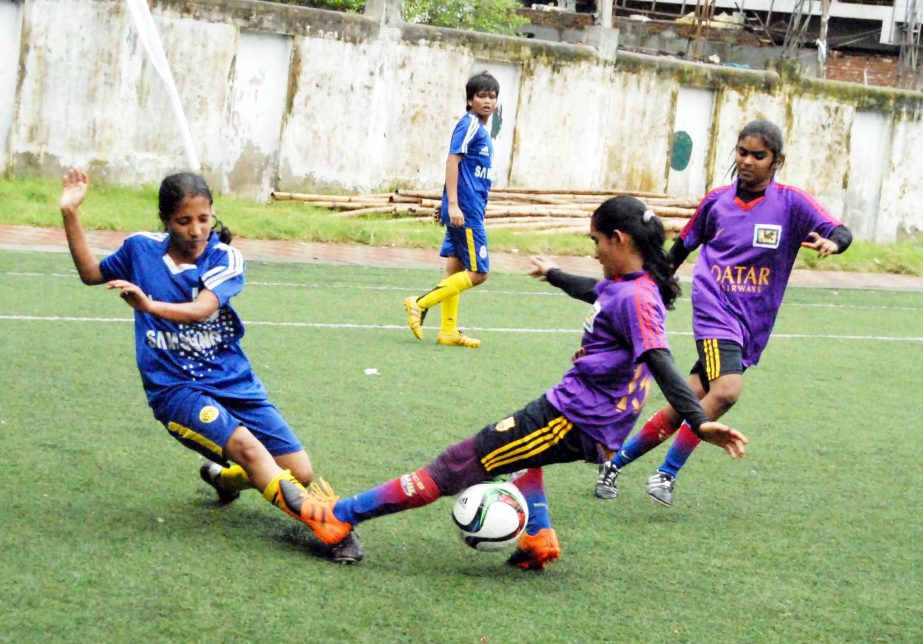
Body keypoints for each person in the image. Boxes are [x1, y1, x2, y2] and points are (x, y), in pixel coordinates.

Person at [281, 196, 749, 570]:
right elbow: (595, 290)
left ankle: (338, 519)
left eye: (596, 241)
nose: (594, 250)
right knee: (525, 458)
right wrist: (554, 275)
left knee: (458, 463)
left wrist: (697, 420)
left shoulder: (636, 300)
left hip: (572, 418)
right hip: (583, 416)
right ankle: (539, 537)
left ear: (619, 239)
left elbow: (661, 361)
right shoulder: (631, 283)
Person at [58, 168, 363, 563]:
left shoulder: (226, 257)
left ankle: (223, 477)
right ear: (166, 221)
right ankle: (329, 528)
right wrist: (70, 213)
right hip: (176, 390)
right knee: (250, 450)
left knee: (299, 471)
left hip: (233, 380)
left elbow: (202, 310)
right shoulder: (139, 250)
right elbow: (90, 273)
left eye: (204, 219)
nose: (197, 230)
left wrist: (150, 306)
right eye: (184, 221)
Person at [594, 119, 853, 507]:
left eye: (758, 155)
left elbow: (841, 230)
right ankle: (666, 474)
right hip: (716, 309)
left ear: (777, 160)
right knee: (727, 391)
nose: (747, 161)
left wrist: (833, 243)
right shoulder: (717, 201)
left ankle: (614, 465)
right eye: (742, 152)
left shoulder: (792, 204)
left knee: (691, 399)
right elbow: (680, 248)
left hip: (752, 323)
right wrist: (649, 286)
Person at [403, 71, 499, 349]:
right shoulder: (468, 124)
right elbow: (452, 161)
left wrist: (446, 202)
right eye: (481, 96)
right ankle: (419, 304)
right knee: (479, 273)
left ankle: (448, 331)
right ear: (470, 100)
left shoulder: (481, 131)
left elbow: (470, 172)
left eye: (492, 97)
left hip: (469, 208)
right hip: (464, 211)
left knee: (455, 268)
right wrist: (454, 204)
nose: (487, 101)